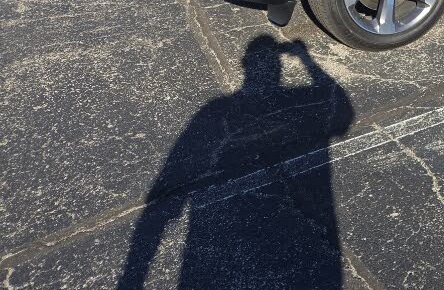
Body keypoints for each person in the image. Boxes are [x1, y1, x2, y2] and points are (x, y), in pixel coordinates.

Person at [118, 37, 353, 289]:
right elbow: (342, 112)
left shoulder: (214, 109)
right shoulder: (217, 110)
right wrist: (307, 60)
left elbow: (162, 202)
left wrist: (132, 277)